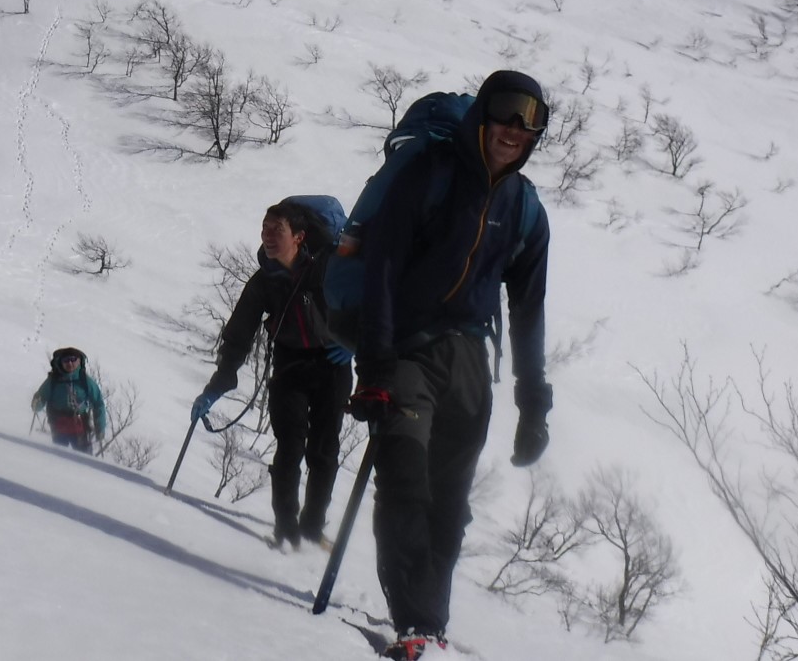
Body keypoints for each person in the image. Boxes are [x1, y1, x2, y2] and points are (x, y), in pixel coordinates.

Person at [348, 70, 553, 661]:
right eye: (509, 111)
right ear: (484, 113)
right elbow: (383, 267)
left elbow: (529, 310)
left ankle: (430, 624)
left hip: (469, 361)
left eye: (532, 118)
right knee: (406, 475)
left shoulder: (525, 209)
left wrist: (532, 402)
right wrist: (377, 363)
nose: (517, 128)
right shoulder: (430, 174)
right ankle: (414, 619)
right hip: (407, 347)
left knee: (450, 501)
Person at [191, 200, 352, 549]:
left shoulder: (330, 268)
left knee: (324, 451)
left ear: (299, 236)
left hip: (332, 365)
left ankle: (311, 526)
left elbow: (366, 304)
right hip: (290, 364)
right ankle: (285, 528)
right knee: (289, 447)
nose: (267, 237)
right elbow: (239, 334)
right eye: (264, 229)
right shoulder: (266, 280)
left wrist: (355, 344)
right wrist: (219, 383)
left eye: (275, 230)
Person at [31, 347, 108, 454]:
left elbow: (98, 403)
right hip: (59, 425)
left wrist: (100, 426)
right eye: (66, 360)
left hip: (80, 426)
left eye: (73, 359)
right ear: (60, 362)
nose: (70, 363)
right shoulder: (53, 381)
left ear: (79, 361)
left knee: (83, 459)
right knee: (59, 457)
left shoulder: (85, 381)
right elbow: (41, 399)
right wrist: (36, 403)